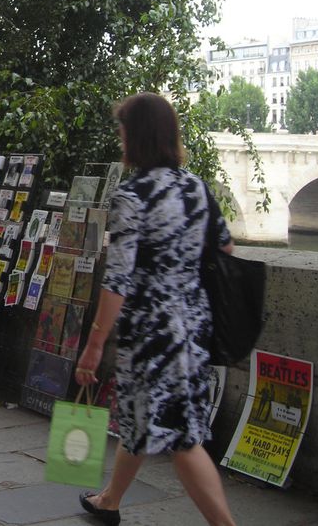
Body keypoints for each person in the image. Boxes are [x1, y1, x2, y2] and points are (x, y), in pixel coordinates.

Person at [75, 93, 235, 526]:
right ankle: (109, 500)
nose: (120, 137)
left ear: (137, 136)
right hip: (194, 323)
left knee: (182, 438)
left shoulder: (134, 195)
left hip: (152, 332)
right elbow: (225, 248)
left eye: (123, 129)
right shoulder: (197, 187)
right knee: (143, 415)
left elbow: (119, 279)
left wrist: (94, 344)